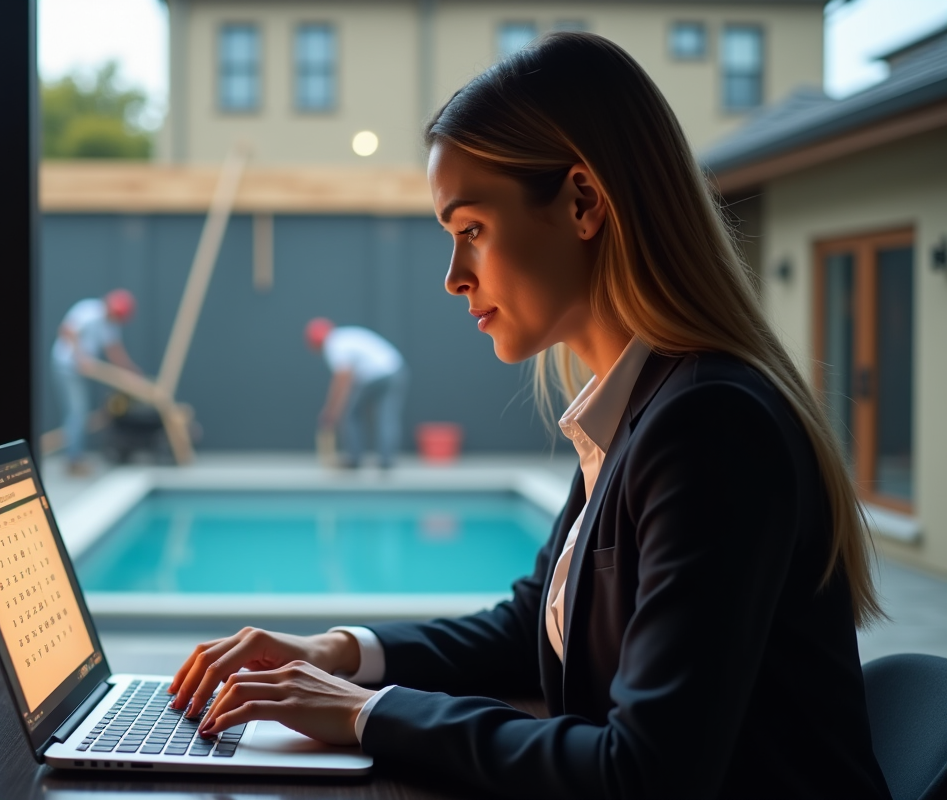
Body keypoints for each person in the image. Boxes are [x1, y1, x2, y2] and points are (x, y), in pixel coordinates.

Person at [165, 33, 891, 799]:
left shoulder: (710, 425)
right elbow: (533, 626)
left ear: (582, 202)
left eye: (471, 231)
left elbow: (643, 775)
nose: (454, 277)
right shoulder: (637, 408)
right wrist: (339, 652)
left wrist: (365, 713)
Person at [51, 289, 141, 474]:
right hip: (66, 366)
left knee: (79, 412)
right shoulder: (89, 310)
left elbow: (114, 352)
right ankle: (73, 461)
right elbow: (66, 330)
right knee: (77, 412)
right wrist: (80, 356)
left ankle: (74, 457)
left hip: (78, 369)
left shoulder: (110, 325)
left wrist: (132, 373)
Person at [305, 319, 408, 469]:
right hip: (396, 370)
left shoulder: (334, 345)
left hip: (376, 375)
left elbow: (343, 379)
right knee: (386, 417)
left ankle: (354, 458)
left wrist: (331, 411)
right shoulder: (343, 337)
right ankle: (386, 460)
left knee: (350, 413)